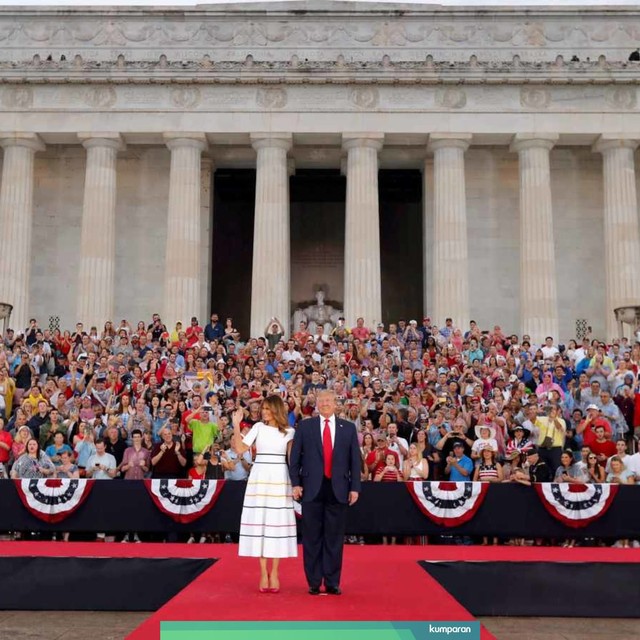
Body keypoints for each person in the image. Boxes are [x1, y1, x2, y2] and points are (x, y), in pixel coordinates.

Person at [290, 389, 361, 596]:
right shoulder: (305, 426)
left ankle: (332, 582)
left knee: (334, 538)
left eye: (329, 400)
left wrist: (355, 487)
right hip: (311, 489)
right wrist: (295, 484)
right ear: (317, 404)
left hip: (338, 490)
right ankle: (313, 582)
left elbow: (355, 461)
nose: (325, 404)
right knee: (311, 538)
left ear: (336, 403)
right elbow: (294, 459)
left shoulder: (347, 428)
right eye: (321, 401)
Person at [233, 394, 297, 593]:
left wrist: (296, 484)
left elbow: (292, 460)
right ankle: (263, 572)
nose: (264, 412)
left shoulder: (289, 431)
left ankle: (275, 572)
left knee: (276, 524)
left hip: (279, 476)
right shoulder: (258, 428)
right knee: (260, 522)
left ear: (277, 410)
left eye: (268, 409)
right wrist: (236, 425)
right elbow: (240, 449)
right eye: (264, 409)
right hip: (259, 476)